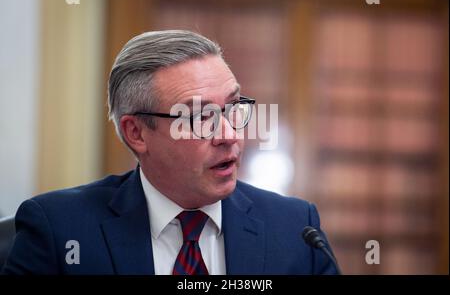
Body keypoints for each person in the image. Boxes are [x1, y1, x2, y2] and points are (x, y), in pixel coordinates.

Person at [2, 30, 338, 275]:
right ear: (137, 133)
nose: (229, 134)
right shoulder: (59, 231)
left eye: (232, 107)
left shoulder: (295, 229)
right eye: (201, 117)